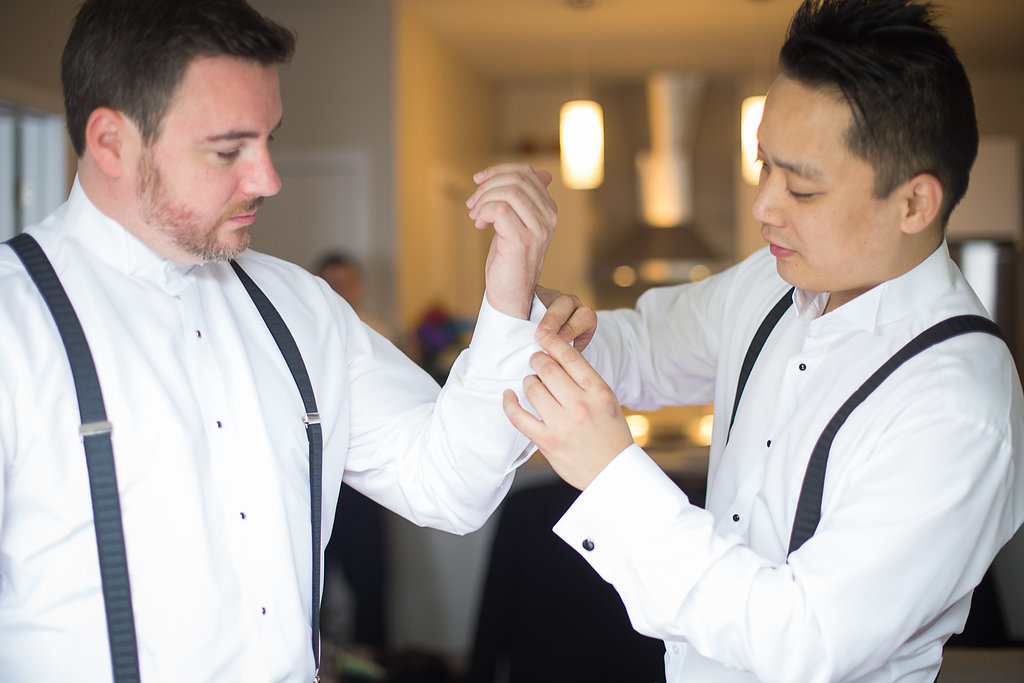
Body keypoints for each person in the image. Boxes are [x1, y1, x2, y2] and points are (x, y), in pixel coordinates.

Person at [0, 0, 564, 680]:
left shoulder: (301, 309)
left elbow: (451, 485)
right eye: (229, 149)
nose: (267, 178)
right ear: (112, 141)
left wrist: (507, 299)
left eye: (268, 140)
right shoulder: (14, 320)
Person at [503, 1, 1024, 681]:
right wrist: (524, 304)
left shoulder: (957, 406)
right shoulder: (772, 281)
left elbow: (803, 642)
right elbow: (643, 347)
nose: (762, 207)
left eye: (801, 188)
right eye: (762, 166)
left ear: (915, 204)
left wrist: (611, 473)